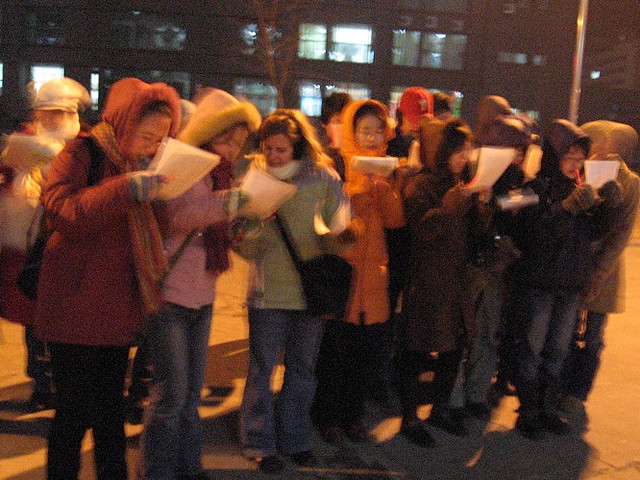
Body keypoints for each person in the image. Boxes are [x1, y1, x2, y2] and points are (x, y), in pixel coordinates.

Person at [33, 77, 182, 479]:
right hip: (72, 308)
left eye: (160, 140)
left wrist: (162, 193)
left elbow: (158, 230)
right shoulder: (82, 151)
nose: (152, 146)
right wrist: (124, 188)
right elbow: (62, 212)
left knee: (110, 414)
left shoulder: (143, 167)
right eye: (146, 136)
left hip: (118, 310)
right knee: (73, 414)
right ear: (123, 121)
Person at [138, 89, 261, 480]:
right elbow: (175, 216)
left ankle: (189, 467)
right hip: (170, 295)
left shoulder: (223, 175)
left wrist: (242, 225)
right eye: (226, 140)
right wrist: (229, 203)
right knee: (170, 396)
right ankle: (156, 471)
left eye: (238, 143)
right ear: (207, 135)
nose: (231, 150)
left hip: (204, 295)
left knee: (191, 396)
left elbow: (215, 230)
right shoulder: (183, 165)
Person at [233, 109, 353, 474]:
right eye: (268, 148)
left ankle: (295, 439)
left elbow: (341, 229)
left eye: (281, 149)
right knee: (262, 369)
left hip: (311, 292)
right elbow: (242, 244)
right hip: (267, 293)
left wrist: (337, 235)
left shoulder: (322, 177)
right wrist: (255, 225)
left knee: (302, 370)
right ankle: (258, 442)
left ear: (298, 146)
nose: (273, 156)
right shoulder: (253, 176)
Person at [509, 119, 615, 439]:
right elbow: (530, 237)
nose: (575, 165)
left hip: (569, 286)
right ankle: (527, 411)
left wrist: (608, 206)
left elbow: (594, 235)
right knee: (533, 348)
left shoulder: (581, 190)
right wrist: (565, 210)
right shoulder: (532, 189)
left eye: (581, 159)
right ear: (555, 156)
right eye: (569, 157)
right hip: (540, 285)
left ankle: (546, 408)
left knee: (558, 350)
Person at [312, 99, 403, 444]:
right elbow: (336, 214)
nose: (371, 136)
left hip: (374, 278)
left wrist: (385, 192)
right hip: (345, 276)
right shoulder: (337, 166)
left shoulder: (387, 171)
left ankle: (353, 417)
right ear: (352, 132)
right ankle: (328, 417)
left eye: (377, 130)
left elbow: (396, 221)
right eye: (364, 130)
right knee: (335, 356)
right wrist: (362, 189)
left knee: (364, 358)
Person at [0, 77, 91, 411]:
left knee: (63, 320)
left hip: (66, 241)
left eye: (58, 112)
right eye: (46, 112)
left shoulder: (83, 146)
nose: (51, 119)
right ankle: (42, 381)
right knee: (32, 314)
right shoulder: (26, 141)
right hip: (31, 241)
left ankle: (60, 381)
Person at [398, 118, 478, 447]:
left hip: (458, 281)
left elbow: (476, 233)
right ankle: (409, 417)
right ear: (440, 151)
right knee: (417, 351)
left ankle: (440, 409)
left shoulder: (468, 182)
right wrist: (451, 205)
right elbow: (423, 230)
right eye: (457, 151)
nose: (464, 157)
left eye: (467, 151)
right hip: (426, 280)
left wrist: (483, 206)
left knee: (452, 351)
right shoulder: (421, 185)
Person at [448, 115, 533, 419]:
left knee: (486, 334)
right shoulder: (470, 173)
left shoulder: (521, 181)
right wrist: (482, 202)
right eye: (515, 149)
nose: (519, 156)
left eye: (522, 150)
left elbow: (521, 221)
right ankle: (453, 398)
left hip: (497, 270)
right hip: (469, 266)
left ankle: (476, 395)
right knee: (460, 334)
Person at [125, 97, 200, 426]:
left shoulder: (190, 160)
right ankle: (136, 397)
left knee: (149, 346)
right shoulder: (142, 159)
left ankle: (138, 393)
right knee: (147, 342)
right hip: (146, 265)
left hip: (165, 267)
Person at [559, 120, 640, 412]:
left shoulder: (630, 182)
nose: (601, 147)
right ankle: (562, 384)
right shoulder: (582, 172)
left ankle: (578, 393)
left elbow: (621, 235)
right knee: (565, 331)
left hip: (604, 272)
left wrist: (600, 272)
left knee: (593, 336)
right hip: (575, 263)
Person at [318, 91, 352, 180]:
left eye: (348, 121)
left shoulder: (361, 153)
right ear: (324, 124)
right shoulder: (319, 156)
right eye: (337, 121)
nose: (344, 127)